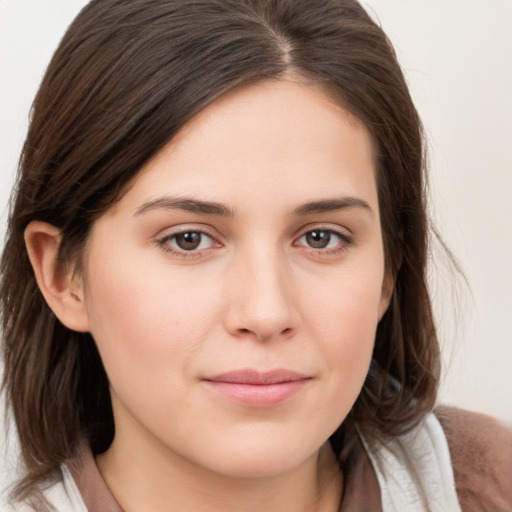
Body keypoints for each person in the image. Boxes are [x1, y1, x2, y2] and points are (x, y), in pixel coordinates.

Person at [1, 0, 511, 510]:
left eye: (320, 238)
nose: (266, 313)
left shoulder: (488, 485)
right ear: (63, 274)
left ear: (388, 270)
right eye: (188, 239)